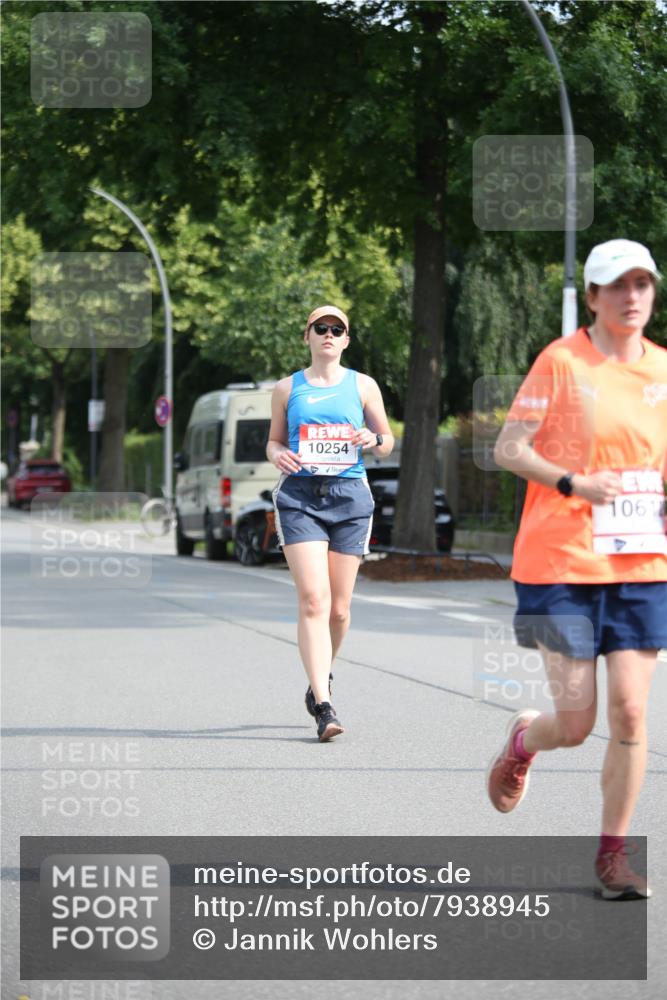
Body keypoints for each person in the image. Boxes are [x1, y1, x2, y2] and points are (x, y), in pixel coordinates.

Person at [487, 239, 667, 899]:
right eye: (616, 286)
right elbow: (509, 447)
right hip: (558, 562)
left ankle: (612, 859)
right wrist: (571, 482)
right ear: (592, 296)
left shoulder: (663, 373)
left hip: (640, 563)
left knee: (628, 712)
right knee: (574, 723)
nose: (630, 297)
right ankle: (521, 744)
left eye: (641, 284)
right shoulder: (561, 362)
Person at [267, 305, 394, 741]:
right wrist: (276, 454)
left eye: (336, 329)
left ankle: (321, 673)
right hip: (300, 498)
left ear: (345, 340)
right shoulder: (287, 388)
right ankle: (323, 704)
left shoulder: (363, 385)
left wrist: (372, 437)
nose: (327, 333)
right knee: (314, 601)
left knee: (339, 609)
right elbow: (273, 441)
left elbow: (386, 441)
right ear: (307, 336)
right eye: (319, 327)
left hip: (350, 498)